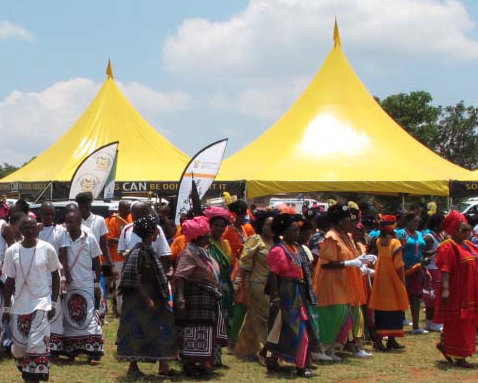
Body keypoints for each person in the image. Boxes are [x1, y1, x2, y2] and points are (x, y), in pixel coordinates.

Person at [2, 215, 61, 383]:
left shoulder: (47, 248)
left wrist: (54, 302)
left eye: (32, 227)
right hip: (19, 305)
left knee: (36, 344)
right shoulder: (12, 251)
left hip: (41, 303)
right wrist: (6, 308)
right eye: (25, 228)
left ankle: (32, 379)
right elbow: (9, 281)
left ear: (37, 229)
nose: (29, 231)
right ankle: (26, 368)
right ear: (20, 230)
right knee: (20, 347)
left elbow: (56, 275)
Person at [117, 215, 177, 379]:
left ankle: (164, 365)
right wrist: (147, 299)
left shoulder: (148, 251)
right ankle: (133, 367)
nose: (159, 232)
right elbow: (135, 279)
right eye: (157, 230)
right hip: (139, 301)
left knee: (159, 330)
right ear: (152, 233)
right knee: (136, 333)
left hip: (153, 298)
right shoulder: (138, 253)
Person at [312, 203, 373, 361]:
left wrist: (361, 263)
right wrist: (349, 264)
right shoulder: (331, 237)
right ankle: (322, 348)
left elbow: (350, 257)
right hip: (331, 283)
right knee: (334, 314)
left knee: (344, 316)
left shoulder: (346, 236)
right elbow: (326, 263)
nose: (351, 224)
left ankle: (332, 348)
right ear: (340, 221)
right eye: (347, 220)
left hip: (345, 283)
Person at [174, 216, 228, 378]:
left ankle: (202, 363)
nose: (208, 236)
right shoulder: (189, 253)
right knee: (195, 332)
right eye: (205, 234)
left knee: (205, 331)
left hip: (207, 299)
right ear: (198, 236)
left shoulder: (202, 251)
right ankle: (191, 364)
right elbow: (180, 277)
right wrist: (180, 299)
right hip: (196, 298)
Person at [263, 213, 316, 377]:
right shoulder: (278, 250)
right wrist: (276, 297)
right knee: (290, 329)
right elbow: (273, 275)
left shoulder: (298, 248)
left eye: (297, 230)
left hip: (298, 293)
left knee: (292, 329)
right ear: (283, 232)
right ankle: (300, 366)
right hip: (285, 293)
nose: (296, 234)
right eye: (293, 230)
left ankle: (273, 360)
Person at [59, 210, 104, 363]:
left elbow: (97, 262)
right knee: (71, 317)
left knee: (89, 316)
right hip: (70, 285)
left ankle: (93, 352)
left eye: (72, 222)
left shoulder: (89, 237)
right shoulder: (63, 236)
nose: (68, 225)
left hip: (86, 284)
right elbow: (63, 257)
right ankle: (73, 350)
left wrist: (97, 282)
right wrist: (65, 276)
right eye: (67, 222)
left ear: (79, 222)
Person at [435, 211, 478, 368]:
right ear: (454, 230)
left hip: (471, 290)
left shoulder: (470, 245)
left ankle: (446, 345)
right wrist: (446, 290)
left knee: (469, 322)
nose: (467, 232)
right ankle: (460, 356)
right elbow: (446, 270)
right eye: (463, 229)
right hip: (457, 291)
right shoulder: (449, 246)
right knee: (459, 323)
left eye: (468, 229)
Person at [235, 210, 274, 360]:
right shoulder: (255, 240)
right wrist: (239, 282)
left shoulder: (277, 242)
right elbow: (244, 263)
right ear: (261, 226)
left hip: (272, 285)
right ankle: (263, 351)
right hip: (257, 284)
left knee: (254, 316)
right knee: (262, 317)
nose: (271, 228)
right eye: (268, 225)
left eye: (273, 225)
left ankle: (244, 349)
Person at [369, 225, 409, 352]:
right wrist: (402, 282)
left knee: (382, 309)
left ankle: (386, 340)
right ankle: (385, 340)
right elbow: (398, 265)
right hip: (392, 280)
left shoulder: (377, 242)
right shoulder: (395, 243)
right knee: (395, 308)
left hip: (381, 280)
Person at [223, 200, 255, 348]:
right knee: (236, 303)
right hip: (233, 270)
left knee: (242, 303)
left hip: (243, 267)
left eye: (244, 215)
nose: (243, 218)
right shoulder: (227, 231)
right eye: (241, 215)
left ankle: (236, 338)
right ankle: (230, 338)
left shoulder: (243, 229)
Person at [38, 202, 65, 356]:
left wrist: (63, 277)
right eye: (46, 214)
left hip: (54, 275)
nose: (49, 217)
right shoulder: (34, 229)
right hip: (39, 276)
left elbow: (62, 255)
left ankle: (54, 348)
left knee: (55, 311)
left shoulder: (60, 231)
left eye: (51, 214)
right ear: (41, 214)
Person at [204, 207, 234, 345]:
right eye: (216, 225)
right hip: (212, 284)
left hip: (226, 285)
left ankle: (219, 350)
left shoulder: (226, 243)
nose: (220, 229)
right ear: (210, 226)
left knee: (225, 317)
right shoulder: (206, 244)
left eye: (222, 226)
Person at [396, 213, 428, 334]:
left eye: (418, 221)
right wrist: (402, 246)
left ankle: (416, 325)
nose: (417, 223)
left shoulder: (420, 234)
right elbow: (396, 251)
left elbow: (422, 251)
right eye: (415, 221)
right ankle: (399, 323)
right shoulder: (400, 233)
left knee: (416, 297)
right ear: (408, 222)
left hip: (417, 268)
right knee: (402, 295)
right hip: (403, 268)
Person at [105, 200, 132, 316]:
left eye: (127, 209)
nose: (126, 211)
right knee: (119, 283)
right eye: (123, 209)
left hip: (131, 256)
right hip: (118, 257)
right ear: (119, 209)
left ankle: (130, 308)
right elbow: (109, 239)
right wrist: (124, 240)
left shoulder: (132, 218)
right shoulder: (112, 221)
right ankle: (121, 310)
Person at [422, 213, 445, 332]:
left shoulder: (440, 235)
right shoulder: (429, 237)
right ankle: (434, 322)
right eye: (442, 222)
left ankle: (430, 322)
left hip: (438, 268)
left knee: (435, 297)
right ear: (437, 223)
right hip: (432, 268)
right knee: (432, 297)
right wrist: (439, 249)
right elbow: (424, 253)